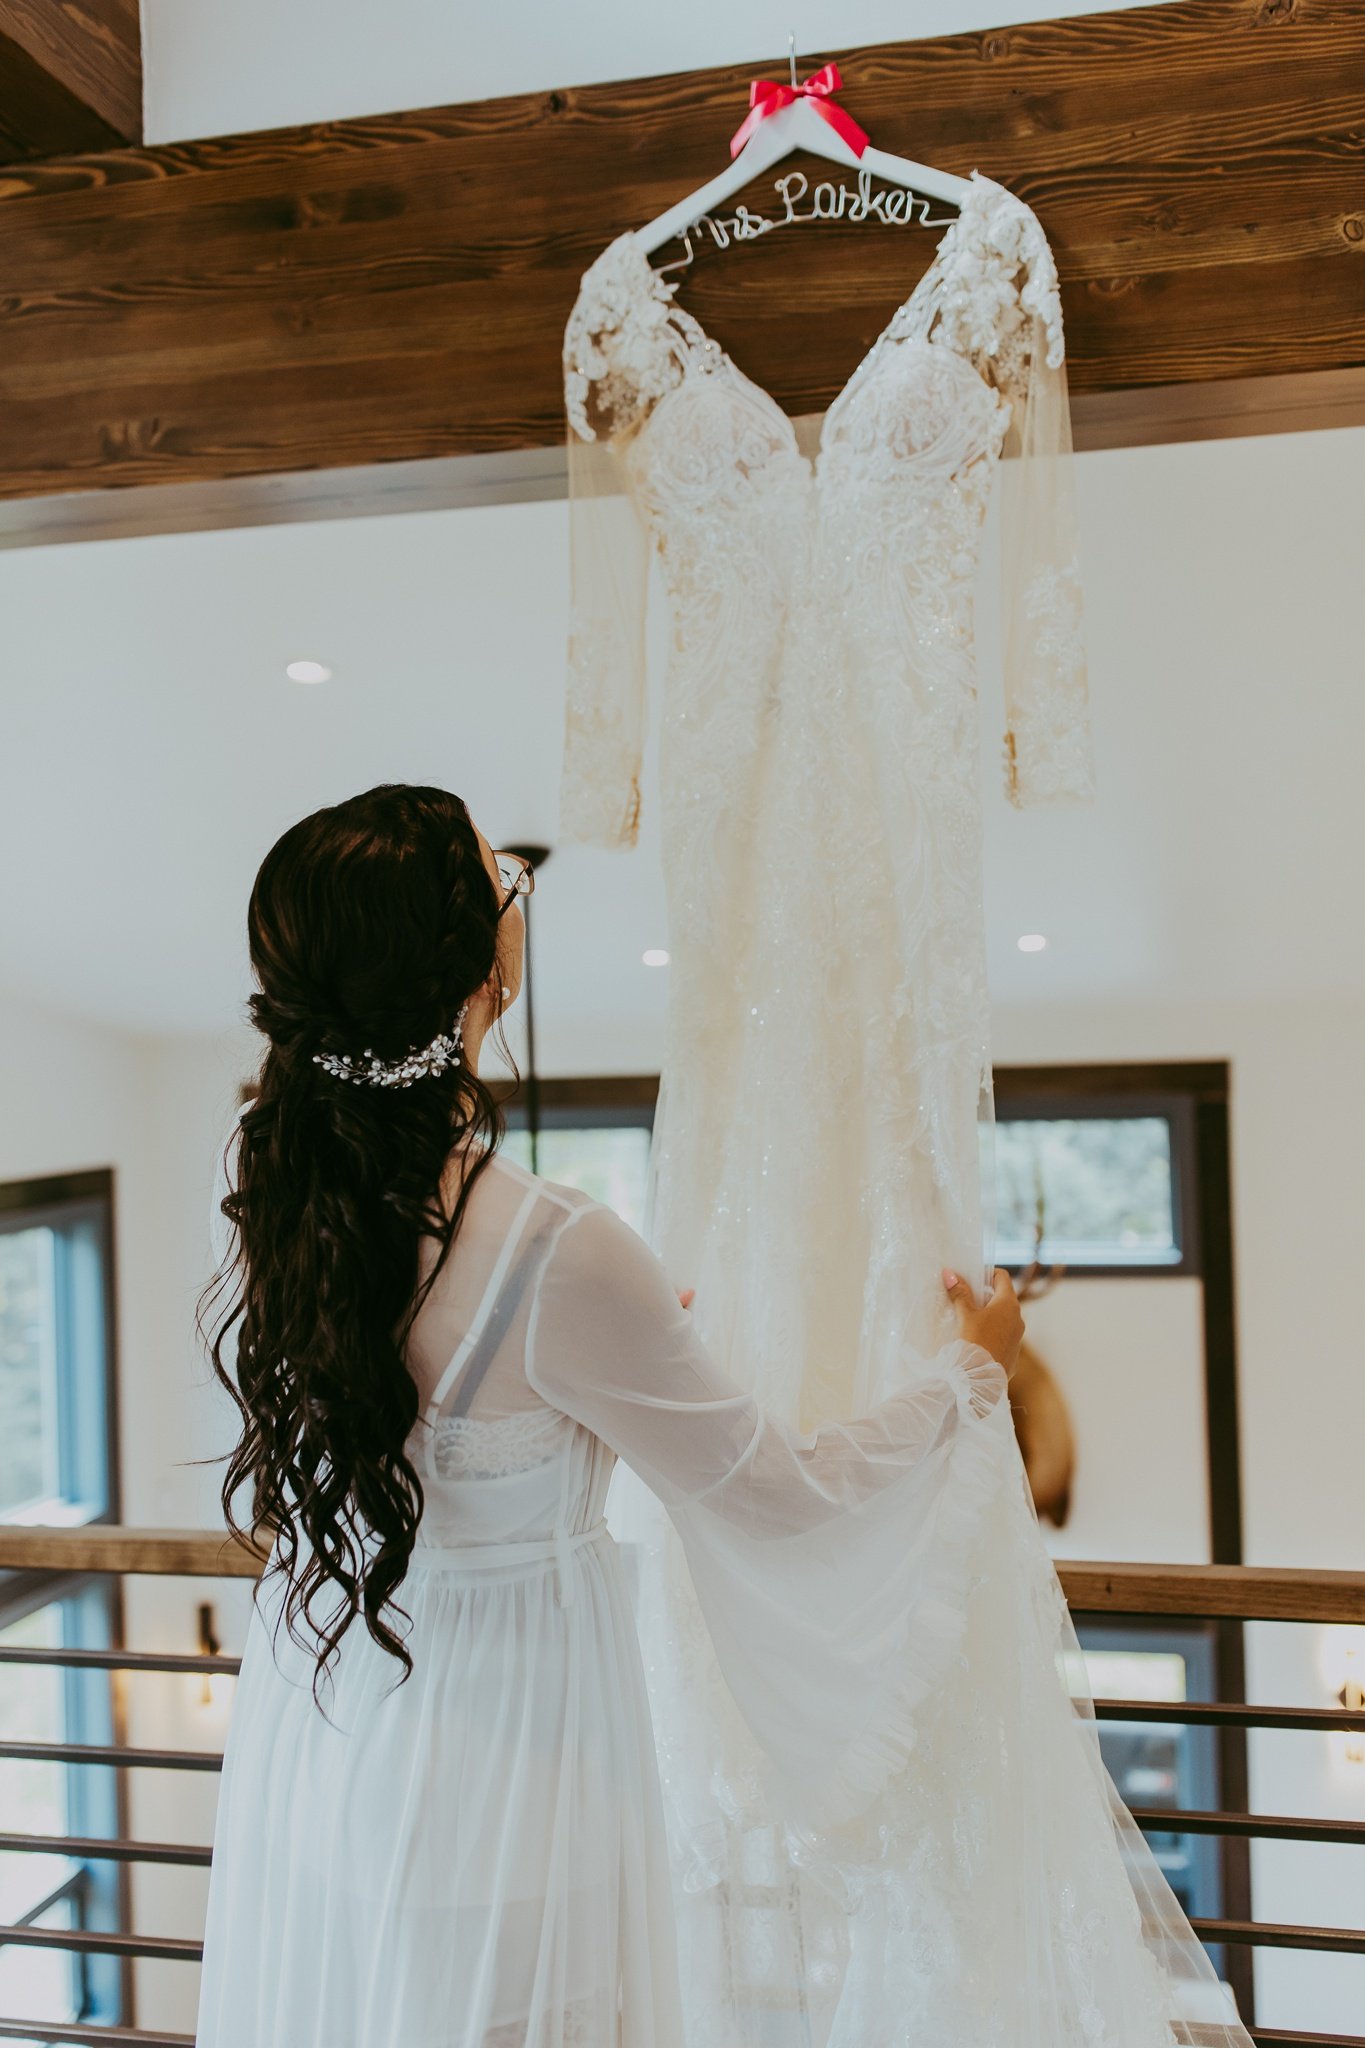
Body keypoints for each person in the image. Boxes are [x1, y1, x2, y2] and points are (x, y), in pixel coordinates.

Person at [194, 781, 1022, 2048]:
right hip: (515, 1785)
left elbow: (408, 1381)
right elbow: (782, 1491)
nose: (517, 900)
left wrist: (605, 1339)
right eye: (504, 881)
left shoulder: (258, 1176)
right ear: (487, 972)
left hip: (327, 1750)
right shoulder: (558, 1246)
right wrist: (968, 1374)